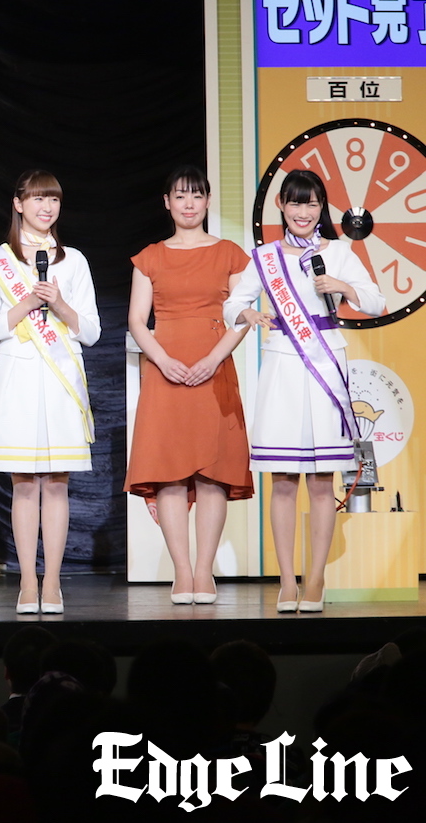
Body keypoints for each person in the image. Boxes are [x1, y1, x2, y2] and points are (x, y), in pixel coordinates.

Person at [224, 168, 384, 613]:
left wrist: (343, 287)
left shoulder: (339, 252)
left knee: (320, 480)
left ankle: (316, 579)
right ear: (281, 205)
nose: (303, 212)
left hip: (326, 363)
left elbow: (376, 301)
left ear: (321, 207)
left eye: (311, 203)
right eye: (295, 202)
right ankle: (287, 581)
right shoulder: (266, 257)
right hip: (283, 366)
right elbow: (232, 303)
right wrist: (247, 315)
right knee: (283, 480)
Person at [124, 166, 254, 605]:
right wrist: (162, 360)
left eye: (196, 195)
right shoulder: (150, 257)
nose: (188, 204)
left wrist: (213, 359)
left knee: (214, 473)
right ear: (167, 203)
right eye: (180, 196)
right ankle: (182, 572)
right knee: (170, 472)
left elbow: (242, 316)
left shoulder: (230, 254)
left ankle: (204, 571)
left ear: (208, 201)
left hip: (214, 369)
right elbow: (137, 321)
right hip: (167, 372)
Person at [0, 170, 99, 615]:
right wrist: (26, 303)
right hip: (17, 379)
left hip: (61, 378)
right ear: (18, 203)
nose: (47, 208)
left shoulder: (74, 261)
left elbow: (92, 332)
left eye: (53, 199)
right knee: (24, 484)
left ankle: (52, 583)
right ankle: (27, 582)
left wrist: (59, 304)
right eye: (38, 199)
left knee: (57, 483)